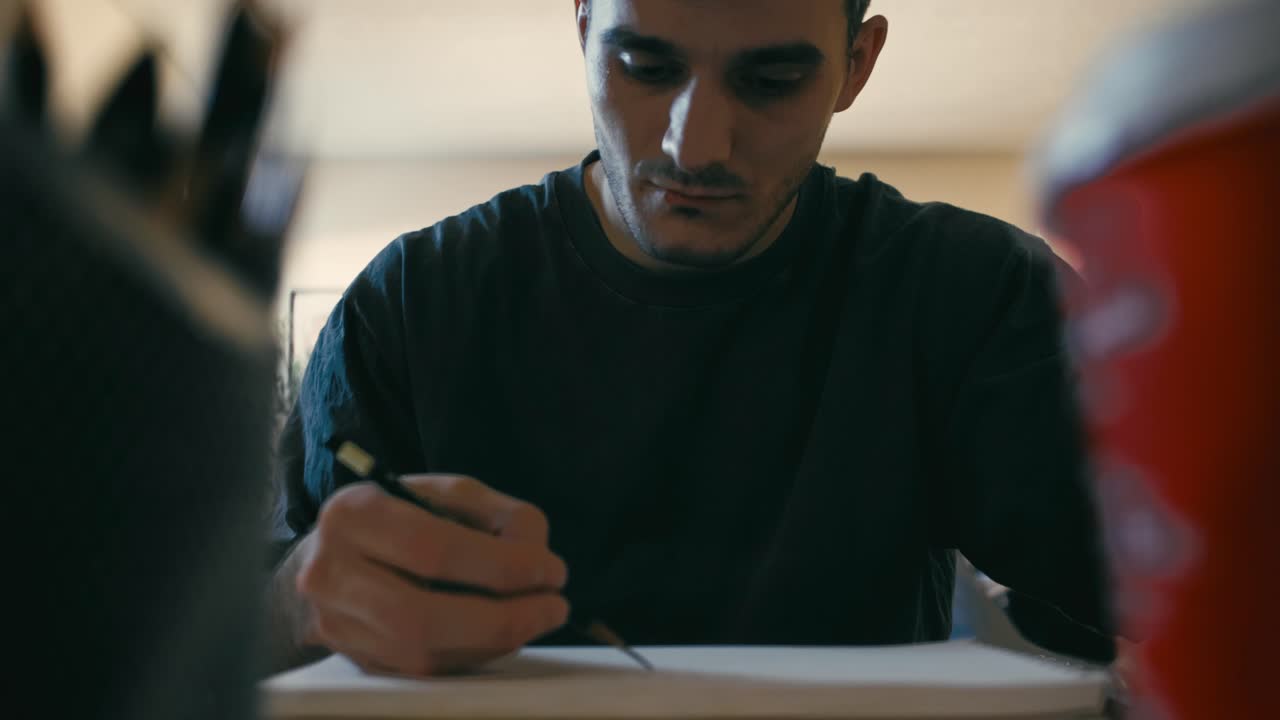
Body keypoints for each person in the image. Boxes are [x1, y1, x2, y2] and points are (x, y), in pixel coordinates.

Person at [267, 0, 1117, 677]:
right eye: (646, 67)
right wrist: (298, 603)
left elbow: (1160, 593)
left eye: (771, 80)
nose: (695, 146)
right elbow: (230, 639)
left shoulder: (975, 297)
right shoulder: (410, 304)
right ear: (582, 26)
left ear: (857, 64)